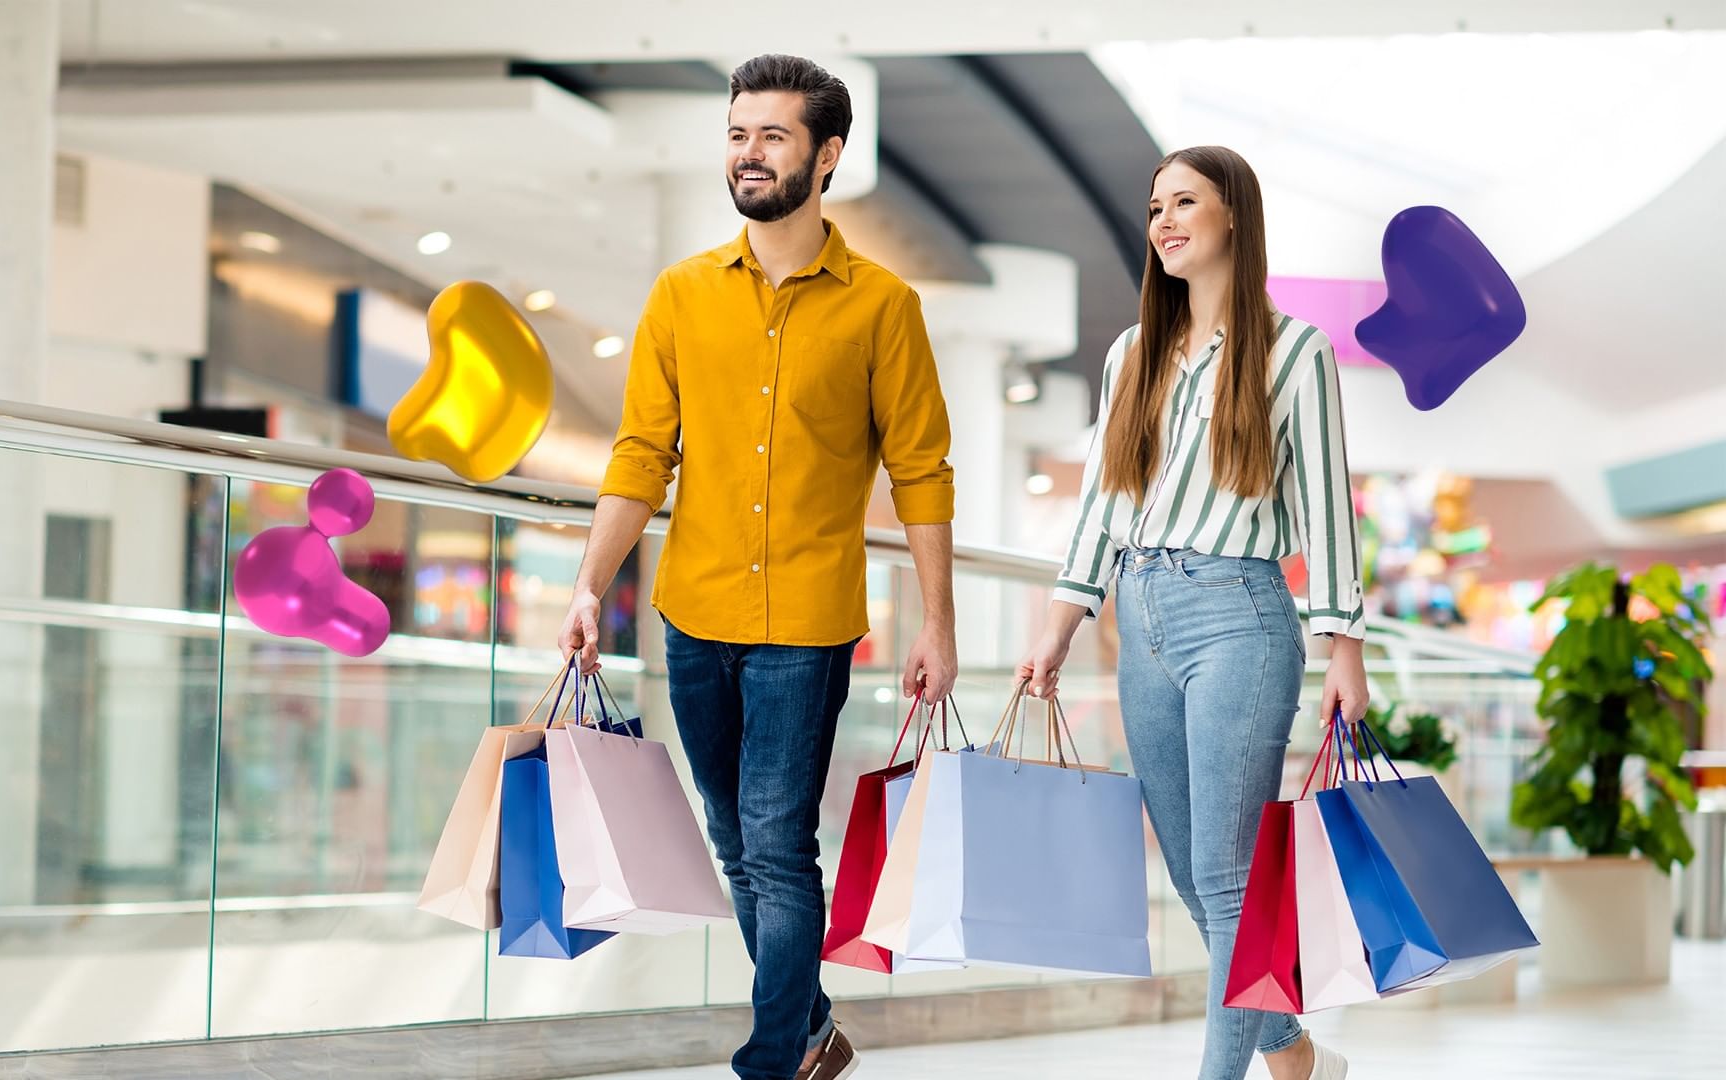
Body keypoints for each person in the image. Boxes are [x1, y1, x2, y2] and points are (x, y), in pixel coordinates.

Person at [558, 53, 958, 1080]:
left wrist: (938, 623)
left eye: (773, 136)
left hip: (808, 626)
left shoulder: (883, 307)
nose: (748, 153)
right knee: (735, 841)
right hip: (693, 615)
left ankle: (772, 1059)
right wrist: (589, 587)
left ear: (826, 156)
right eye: (738, 134)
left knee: (778, 843)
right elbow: (641, 456)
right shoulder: (683, 294)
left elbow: (921, 472)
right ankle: (815, 1033)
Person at [1018, 145, 1367, 1080]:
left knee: (1226, 875)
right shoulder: (1132, 352)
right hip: (1141, 615)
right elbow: (1104, 501)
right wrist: (1061, 623)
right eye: (1155, 207)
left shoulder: (1295, 350)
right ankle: (1293, 1052)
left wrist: (1344, 648)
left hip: (1239, 616)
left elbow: (1328, 509)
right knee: (1188, 871)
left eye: (1185, 203)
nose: (1164, 222)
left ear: (1233, 216)